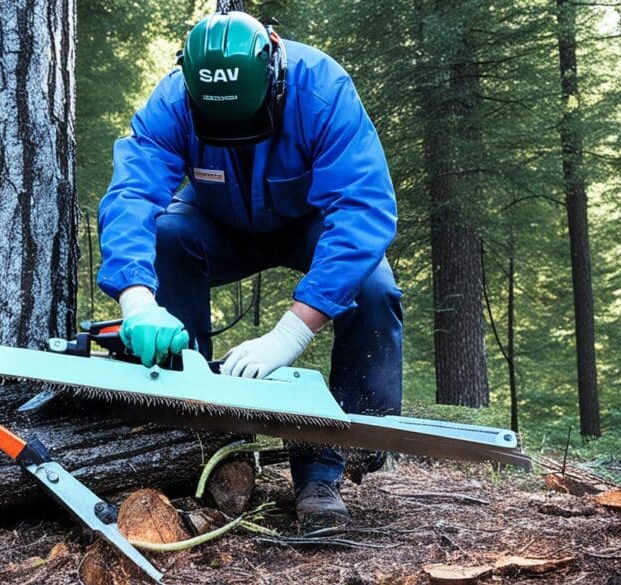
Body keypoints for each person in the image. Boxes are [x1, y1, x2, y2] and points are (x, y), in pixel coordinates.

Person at [96, 10, 403, 528]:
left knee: (372, 289)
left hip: (311, 220)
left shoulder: (321, 88)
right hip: (218, 222)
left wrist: (290, 334)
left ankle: (328, 466)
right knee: (169, 236)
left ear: (274, 72)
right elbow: (132, 193)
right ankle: (202, 435)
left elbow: (363, 209)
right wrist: (137, 299)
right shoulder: (173, 100)